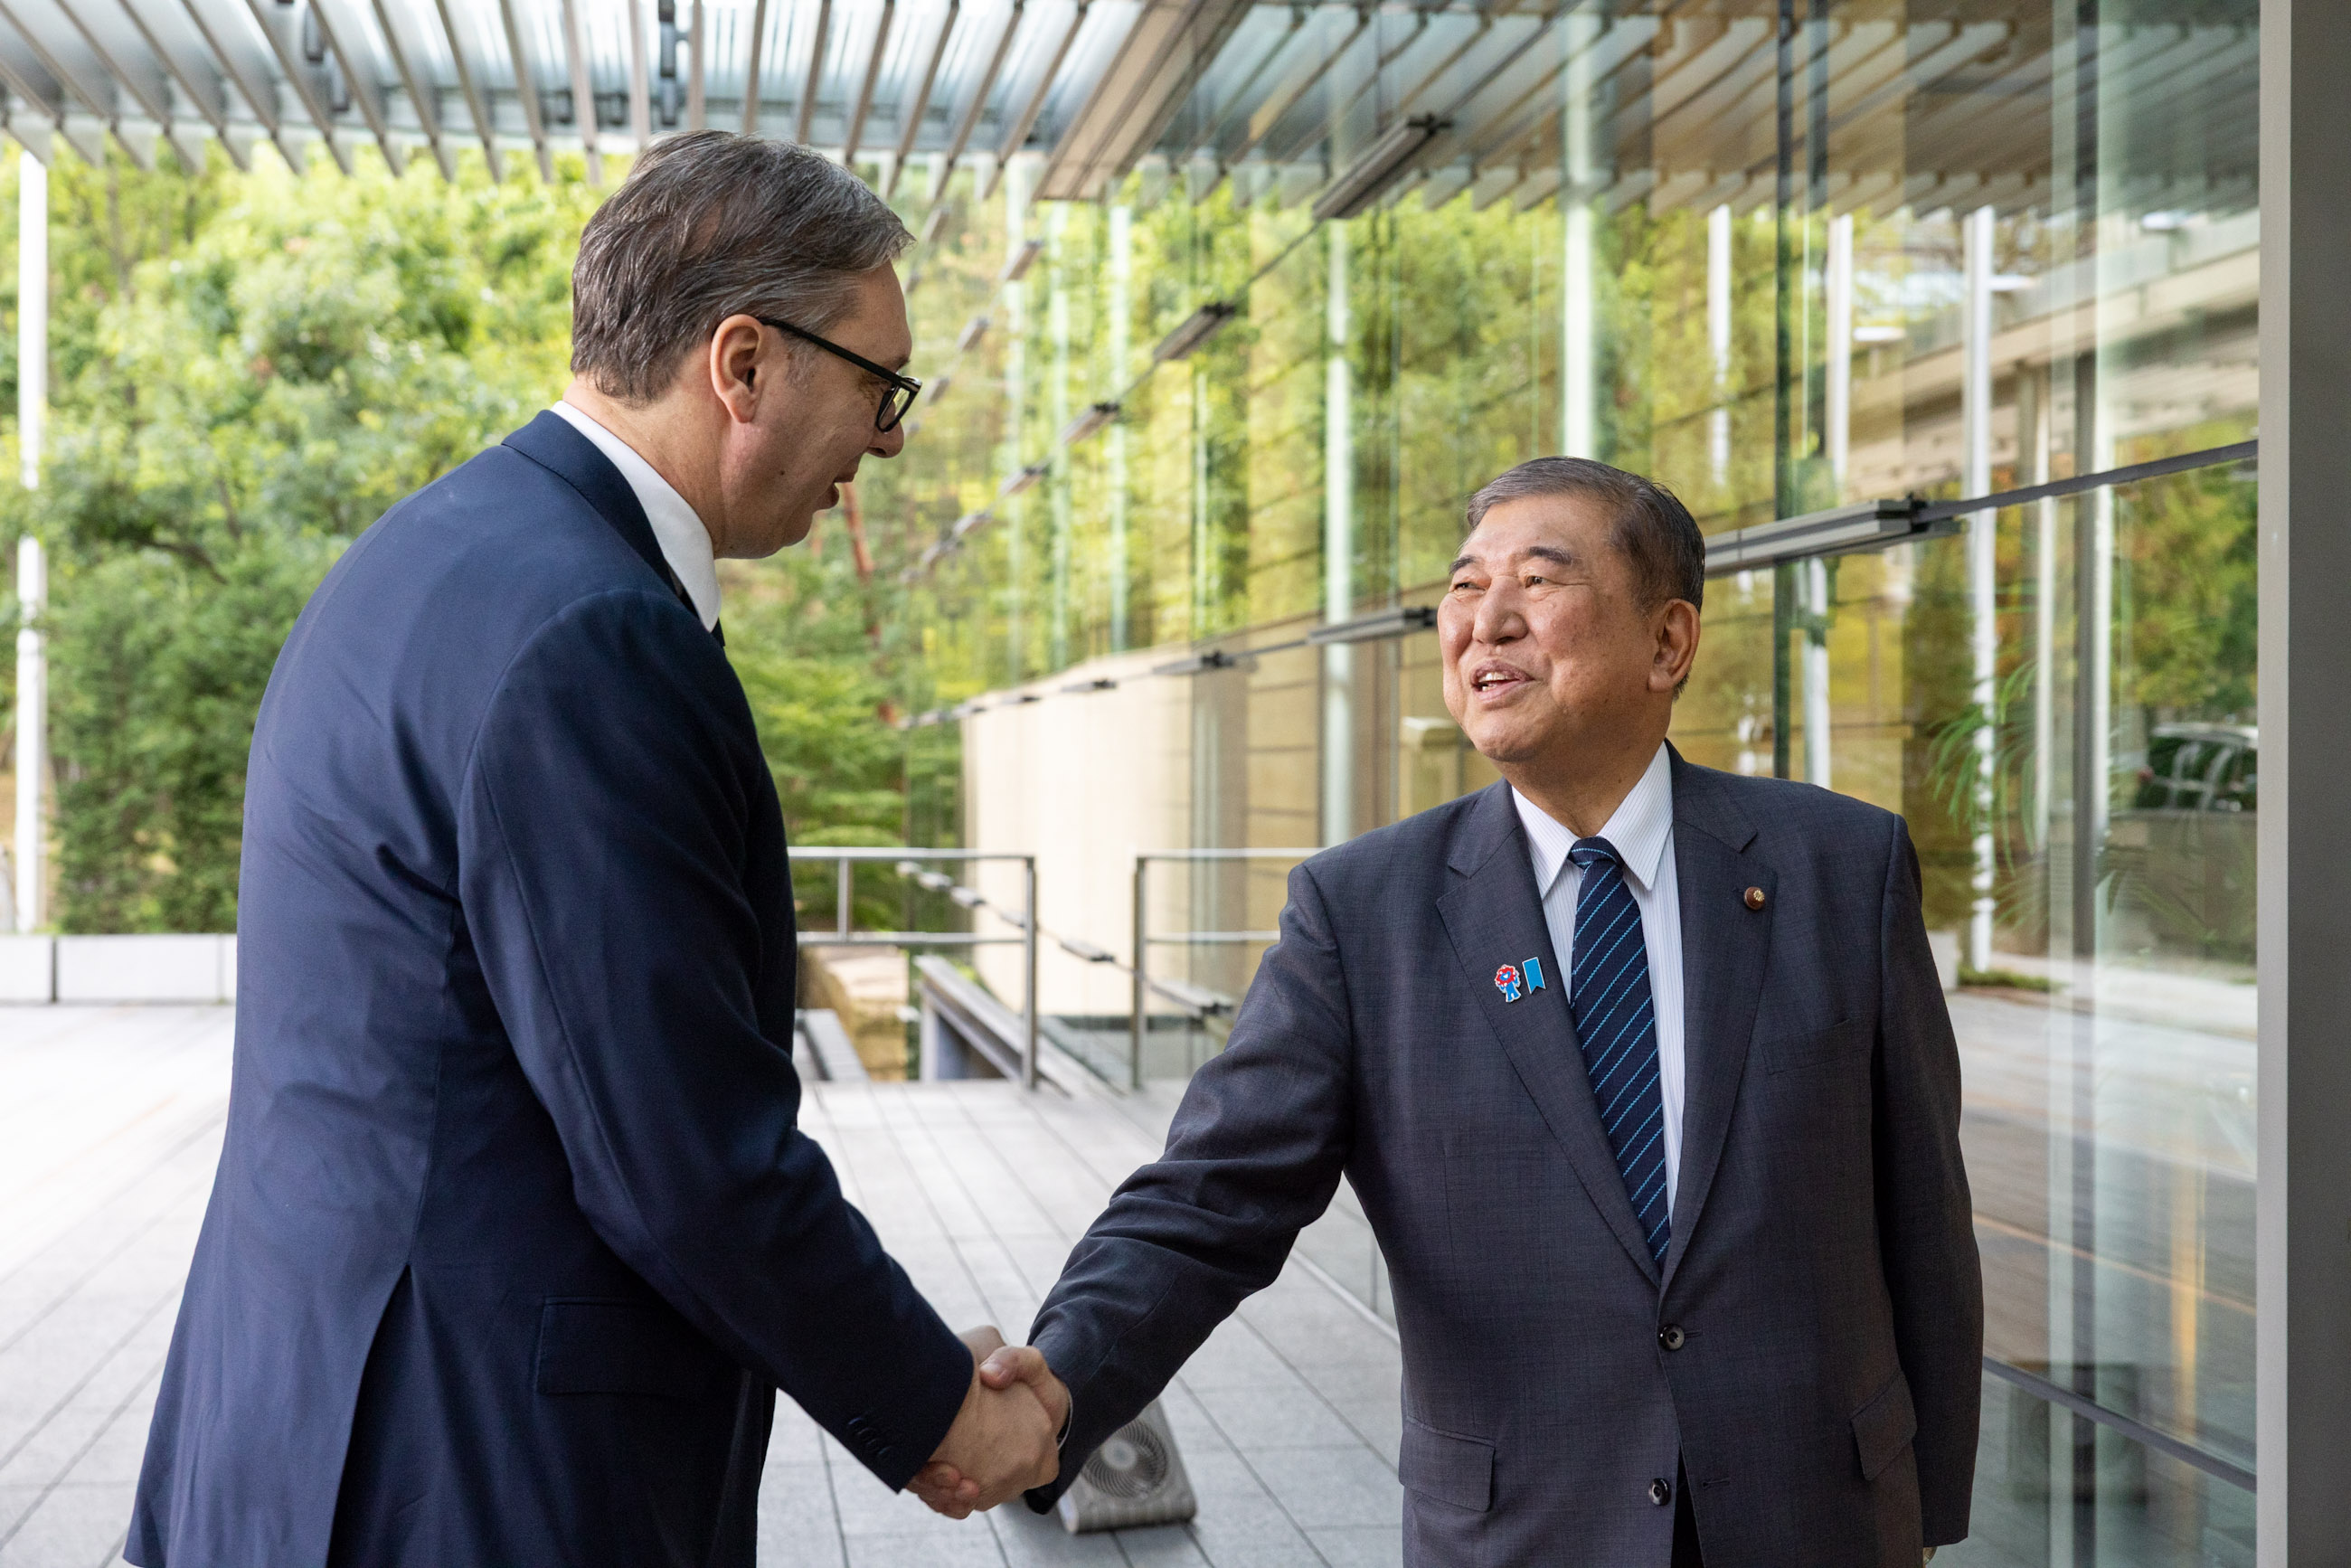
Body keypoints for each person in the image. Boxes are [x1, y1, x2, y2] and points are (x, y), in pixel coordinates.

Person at [125, 132, 1058, 1568]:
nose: (886, 442)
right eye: (880, 385)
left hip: (305, 1420)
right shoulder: (595, 634)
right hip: (473, 1471)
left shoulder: (425, 555)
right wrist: (938, 1406)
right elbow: (678, 1155)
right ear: (741, 364)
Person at [922, 457, 1982, 1566]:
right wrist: (1055, 1387)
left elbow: (1919, 1213)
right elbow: (1210, 1199)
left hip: (1813, 1521)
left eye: (1538, 580)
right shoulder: (1361, 910)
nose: (1486, 624)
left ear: (1667, 643)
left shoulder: (1838, 865)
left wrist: (1920, 1503)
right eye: (1464, 589)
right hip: (1518, 1531)